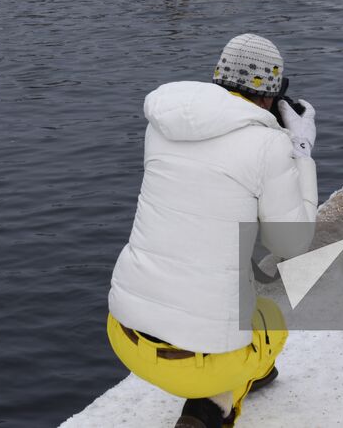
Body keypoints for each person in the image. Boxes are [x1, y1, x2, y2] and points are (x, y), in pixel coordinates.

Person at [107, 34, 318, 428]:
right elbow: (292, 244)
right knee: (270, 318)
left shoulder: (160, 127)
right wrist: (300, 150)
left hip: (124, 336)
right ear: (272, 98)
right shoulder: (269, 145)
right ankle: (216, 403)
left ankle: (234, 379)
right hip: (201, 365)